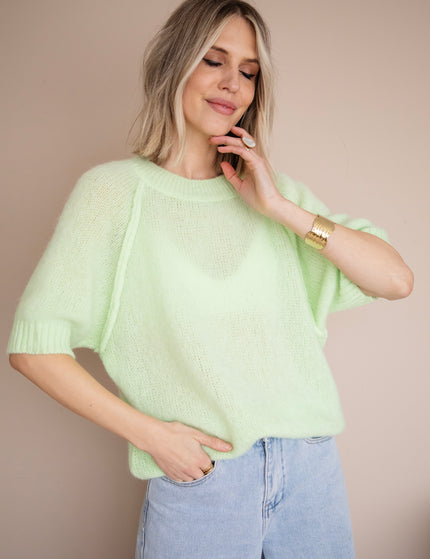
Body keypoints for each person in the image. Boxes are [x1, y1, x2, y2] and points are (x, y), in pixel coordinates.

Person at [7, 0, 414, 557]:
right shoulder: (114, 194)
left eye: (249, 71)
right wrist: (153, 437)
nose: (233, 84)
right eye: (214, 61)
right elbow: (33, 350)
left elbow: (395, 280)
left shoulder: (274, 195)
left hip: (310, 468)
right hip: (207, 481)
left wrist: (281, 209)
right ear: (175, 64)